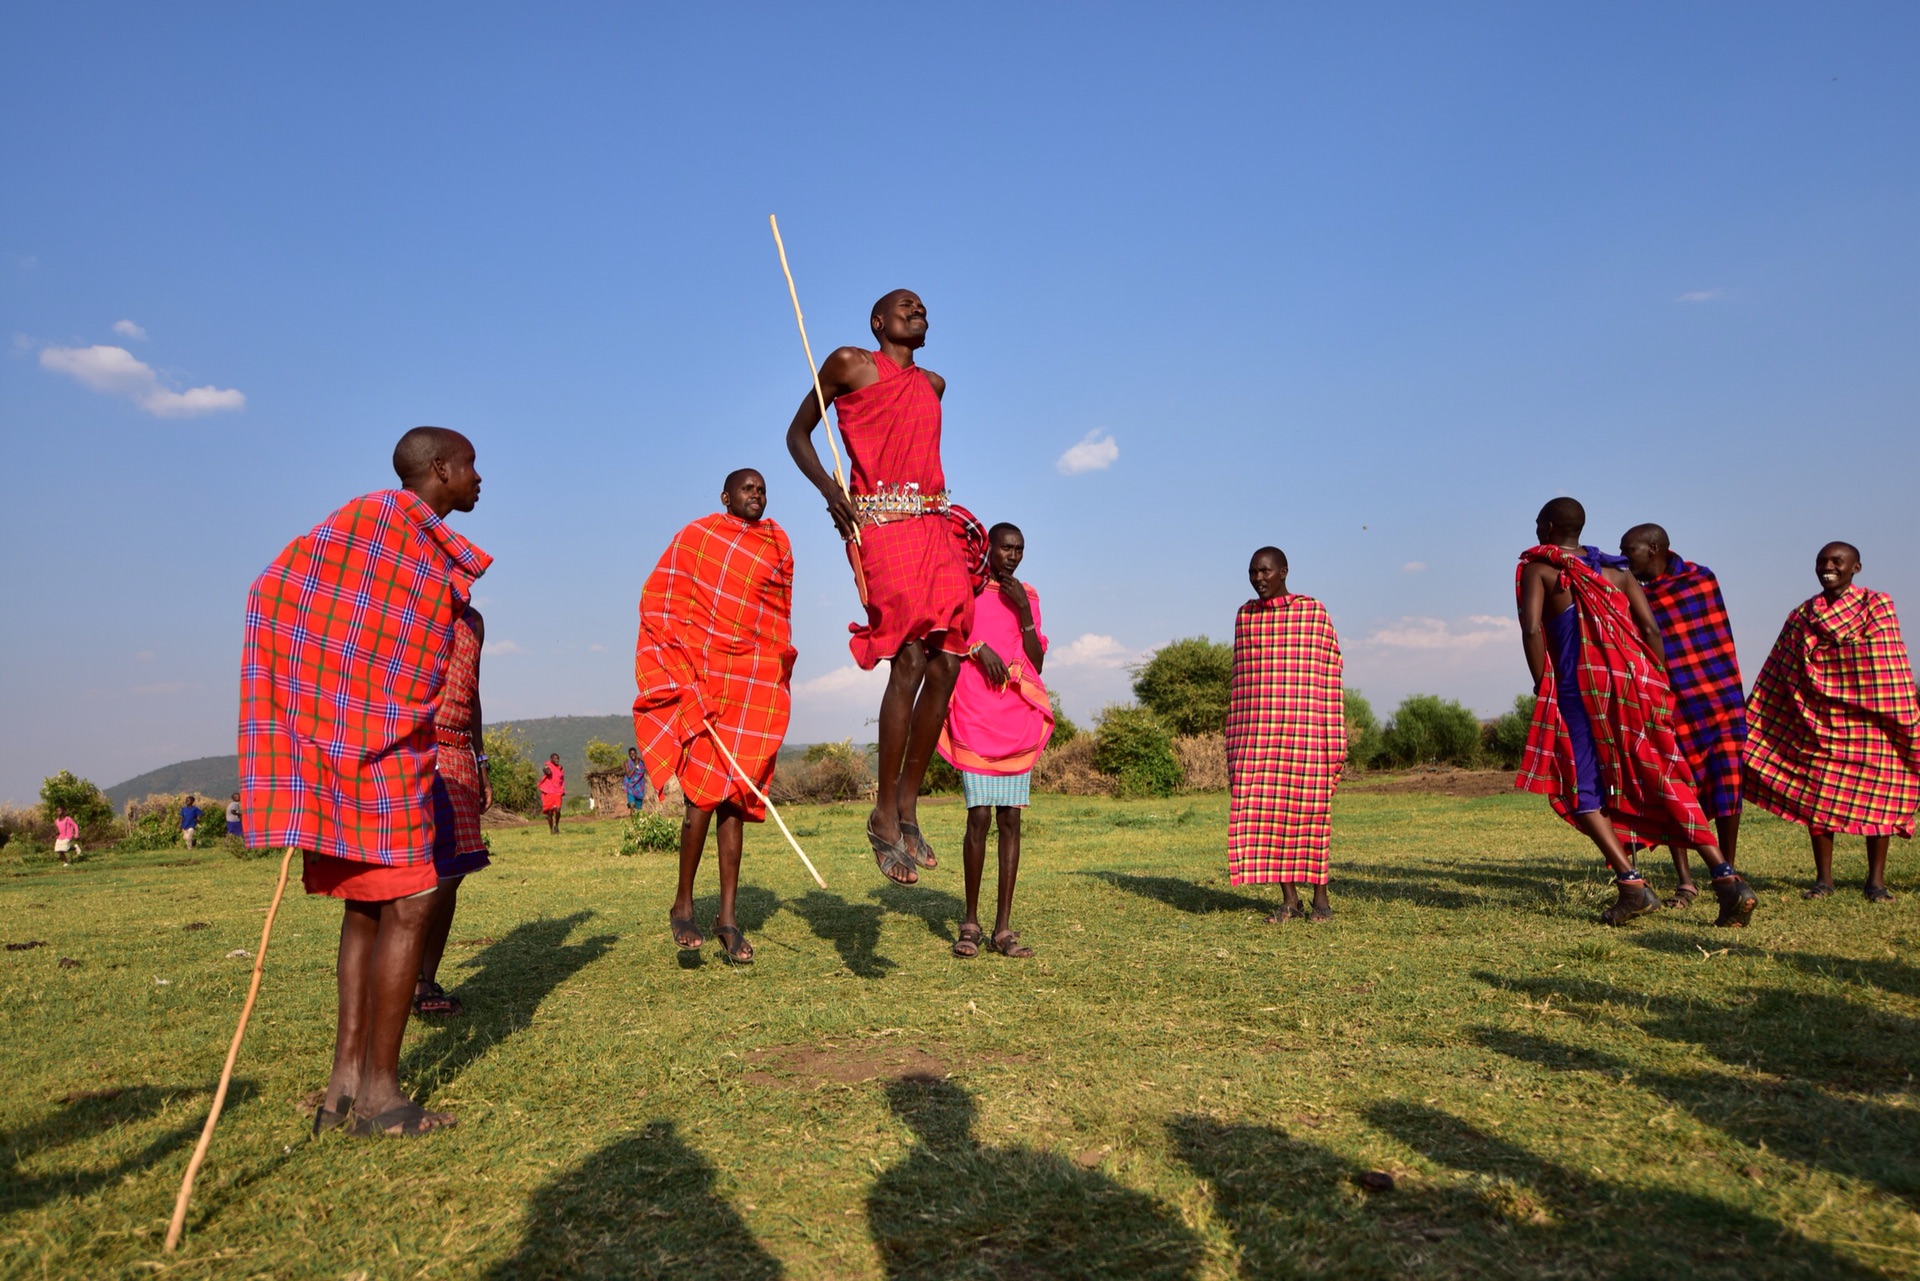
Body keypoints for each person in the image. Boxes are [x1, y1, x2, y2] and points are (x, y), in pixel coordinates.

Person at [238, 424, 488, 1138]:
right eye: (470, 465)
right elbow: (276, 597)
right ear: (439, 468)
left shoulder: (374, 528)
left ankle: (341, 1087)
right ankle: (381, 1095)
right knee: (409, 900)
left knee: (366, 905)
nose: (479, 477)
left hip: (364, 745)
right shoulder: (392, 530)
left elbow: (289, 596)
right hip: (380, 746)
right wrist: (354, 706)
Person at [786, 289, 975, 886]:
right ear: (878, 321)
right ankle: (882, 813)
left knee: (949, 661)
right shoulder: (849, 364)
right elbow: (797, 436)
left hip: (936, 526)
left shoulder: (935, 384)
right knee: (911, 658)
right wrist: (831, 493)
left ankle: (908, 805)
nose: (920, 312)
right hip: (880, 527)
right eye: (907, 306)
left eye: (924, 308)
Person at [1516, 498, 1755, 927]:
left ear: (1550, 526)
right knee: (1662, 778)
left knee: (1581, 788)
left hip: (1578, 691)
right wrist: (1655, 680)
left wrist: (1542, 684)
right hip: (1633, 691)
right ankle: (1727, 879)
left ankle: (1631, 885)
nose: (1535, 530)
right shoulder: (1618, 573)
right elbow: (1649, 629)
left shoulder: (1542, 569)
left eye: (1538, 523)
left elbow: (1532, 628)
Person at [634, 469, 795, 964]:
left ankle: (727, 918)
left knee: (737, 802)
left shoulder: (777, 544)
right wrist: (686, 677)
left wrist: (771, 669)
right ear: (726, 496)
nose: (757, 496)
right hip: (705, 680)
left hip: (751, 685)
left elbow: (778, 616)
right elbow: (663, 601)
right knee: (702, 797)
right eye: (747, 489)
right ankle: (683, 903)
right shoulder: (697, 539)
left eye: (762, 489)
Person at [1744, 542, 1920, 902]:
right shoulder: (1802, 615)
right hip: (1820, 722)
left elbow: (1881, 662)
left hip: (1873, 721)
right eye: (1822, 561)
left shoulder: (1877, 605)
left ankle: (1876, 882)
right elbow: (1780, 670)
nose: (1829, 567)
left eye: (1837, 561)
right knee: (1820, 799)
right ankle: (1823, 880)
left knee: (1880, 798)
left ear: (1856, 568)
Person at [938, 523, 1053, 959]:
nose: (1013, 556)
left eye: (1020, 549)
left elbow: (1037, 660)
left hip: (1014, 717)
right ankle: (970, 922)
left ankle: (1003, 929)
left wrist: (1023, 610)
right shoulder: (964, 591)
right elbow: (947, 636)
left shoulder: (1030, 597)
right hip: (974, 710)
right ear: (989, 548)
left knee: (1010, 819)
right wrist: (977, 647)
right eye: (1006, 547)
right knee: (979, 817)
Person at [1619, 524, 1746, 906]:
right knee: (1676, 786)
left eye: (1630, 551)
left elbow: (1714, 638)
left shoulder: (1700, 579)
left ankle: (1727, 870)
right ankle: (1685, 881)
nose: (1624, 558)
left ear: (1654, 548)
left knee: (1728, 786)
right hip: (1666, 702)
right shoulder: (1629, 591)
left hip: (1718, 698)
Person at [1226, 547, 1345, 923]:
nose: (1258, 578)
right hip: (1260, 737)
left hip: (1306, 733)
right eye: (1252, 572)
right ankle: (1289, 900)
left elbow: (1329, 670)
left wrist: (1329, 730)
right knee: (1270, 817)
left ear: (1284, 572)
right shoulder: (1245, 617)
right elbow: (1242, 682)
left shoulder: (1312, 613)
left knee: (1310, 813)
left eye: (1265, 571)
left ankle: (1321, 900)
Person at [414, 605, 492, 1017]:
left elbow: (473, 693)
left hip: (460, 750)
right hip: (420, 749)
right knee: (428, 875)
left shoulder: (474, 621)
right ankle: (409, 980)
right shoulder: (411, 603)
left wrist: (481, 761)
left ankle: (426, 977)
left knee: (453, 870)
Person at [539, 754, 565, 834]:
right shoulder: (547, 766)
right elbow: (548, 772)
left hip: (557, 791)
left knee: (558, 810)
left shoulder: (560, 768)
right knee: (549, 812)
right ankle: (551, 830)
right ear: (551, 759)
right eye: (555, 758)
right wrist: (547, 768)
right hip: (549, 791)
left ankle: (556, 826)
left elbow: (561, 779)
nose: (557, 760)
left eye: (558, 758)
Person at [623, 746, 648, 812]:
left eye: (634, 754)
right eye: (631, 754)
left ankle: (637, 820)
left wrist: (641, 761)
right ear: (629, 755)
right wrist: (635, 766)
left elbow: (644, 771)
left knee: (639, 809)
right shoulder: (627, 763)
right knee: (632, 805)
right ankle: (633, 820)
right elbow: (629, 775)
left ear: (636, 754)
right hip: (630, 786)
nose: (632, 755)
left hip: (639, 787)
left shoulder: (641, 763)